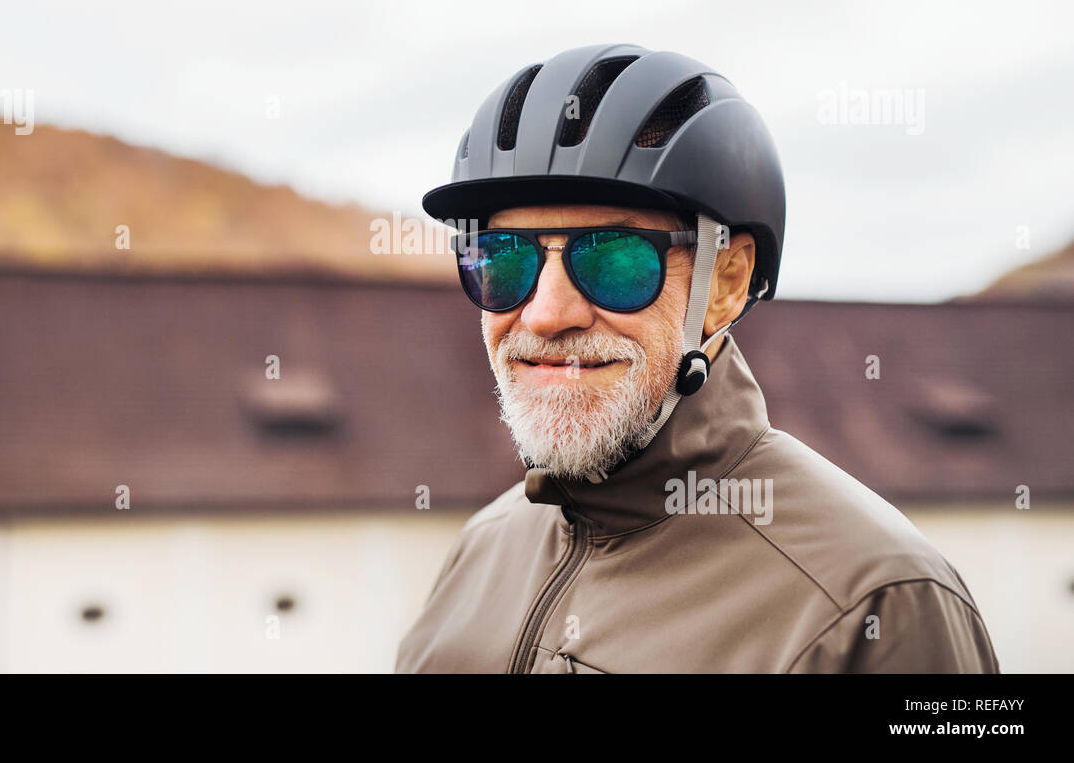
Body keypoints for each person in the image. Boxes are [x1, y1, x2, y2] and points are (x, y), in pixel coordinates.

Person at [395, 43, 999, 673]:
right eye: (506, 258)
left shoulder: (877, 601)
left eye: (614, 259)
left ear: (728, 283)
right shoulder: (483, 548)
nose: (546, 314)